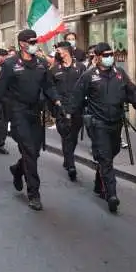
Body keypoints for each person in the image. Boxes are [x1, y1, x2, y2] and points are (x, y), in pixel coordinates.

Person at [0, 29, 63, 211]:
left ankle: (18, 169)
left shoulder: (41, 64)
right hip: (17, 111)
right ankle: (34, 194)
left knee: (34, 153)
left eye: (35, 41)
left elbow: (48, 86)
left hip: (35, 112)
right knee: (29, 151)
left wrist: (57, 100)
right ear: (22, 43)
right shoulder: (10, 64)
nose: (34, 44)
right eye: (31, 41)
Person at [69, 43, 136, 213]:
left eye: (111, 54)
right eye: (105, 55)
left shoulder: (120, 74)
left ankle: (99, 179)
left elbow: (131, 90)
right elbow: (77, 97)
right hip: (98, 123)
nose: (109, 57)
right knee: (106, 158)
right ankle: (111, 194)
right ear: (97, 57)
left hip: (116, 122)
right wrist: (71, 115)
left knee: (113, 151)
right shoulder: (89, 76)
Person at [50, 41, 87, 180]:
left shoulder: (81, 67)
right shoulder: (54, 70)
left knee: (73, 136)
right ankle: (71, 165)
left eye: (59, 50)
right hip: (62, 108)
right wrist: (54, 105)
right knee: (66, 135)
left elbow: (86, 87)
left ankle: (67, 158)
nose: (57, 53)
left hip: (77, 108)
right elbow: (50, 89)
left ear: (66, 52)